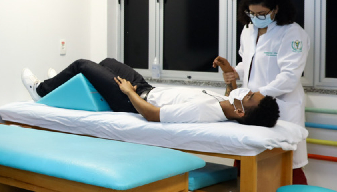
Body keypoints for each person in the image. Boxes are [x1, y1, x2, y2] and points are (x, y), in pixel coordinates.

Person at [218, 0, 314, 192]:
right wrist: (234, 72)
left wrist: (256, 95)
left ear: (276, 9)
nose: (256, 17)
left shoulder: (292, 33)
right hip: (252, 108)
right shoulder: (248, 31)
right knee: (243, 161)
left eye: (262, 13)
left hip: (281, 108)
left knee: (290, 169)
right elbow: (248, 64)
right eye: (251, 13)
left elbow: (288, 78)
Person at [21, 57, 279, 127]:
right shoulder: (225, 105)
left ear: (241, 112)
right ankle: (63, 83)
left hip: (132, 100)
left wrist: (128, 92)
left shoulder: (204, 111)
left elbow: (154, 115)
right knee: (108, 62)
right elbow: (231, 94)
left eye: (248, 97)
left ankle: (42, 91)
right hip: (147, 89)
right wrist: (228, 74)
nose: (246, 92)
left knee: (82, 65)